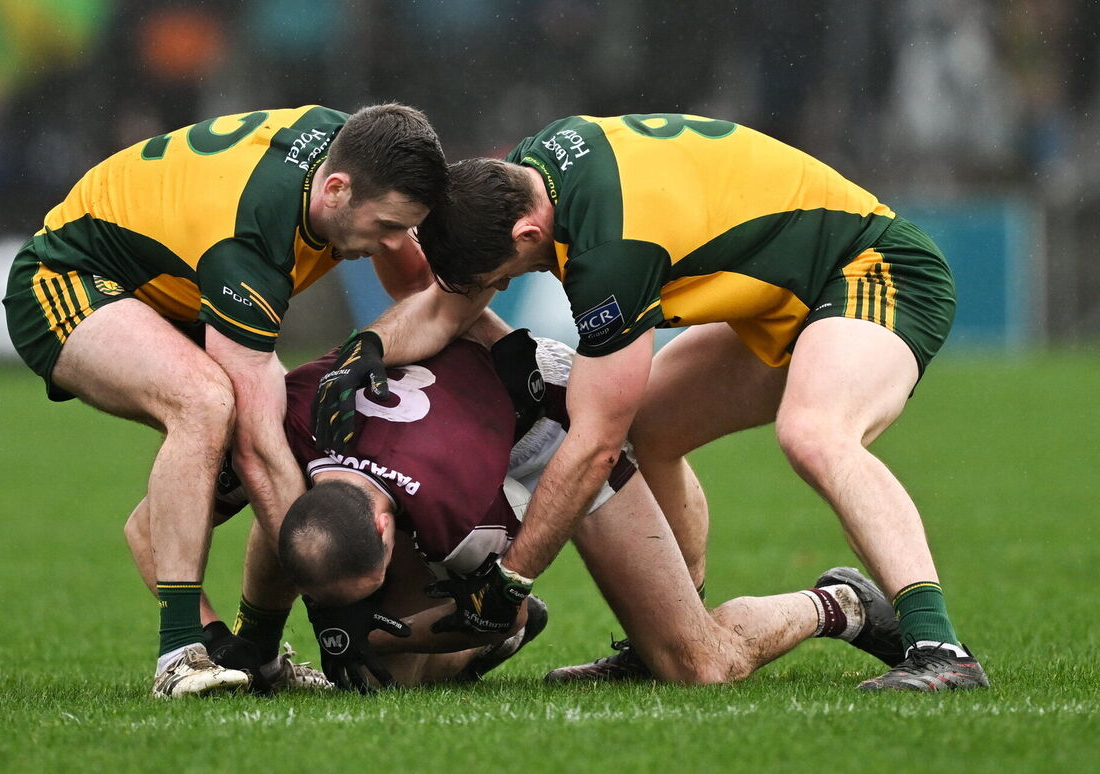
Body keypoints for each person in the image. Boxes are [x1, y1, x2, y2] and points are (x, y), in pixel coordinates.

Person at [312, 112, 988, 692]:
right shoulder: (525, 175)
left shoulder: (610, 248)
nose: (504, 286)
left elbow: (592, 447)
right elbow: (447, 307)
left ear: (525, 237)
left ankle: (940, 648)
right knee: (651, 427)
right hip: (786, 297)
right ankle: (676, 621)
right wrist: (367, 348)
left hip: (875, 268)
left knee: (814, 432)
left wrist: (510, 580)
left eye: (502, 276)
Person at [179, 322, 906, 691]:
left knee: (695, 662)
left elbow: (499, 602)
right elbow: (152, 525)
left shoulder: (455, 512)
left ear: (383, 525)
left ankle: (838, 603)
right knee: (375, 679)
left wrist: (387, 630)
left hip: (550, 420)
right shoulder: (271, 437)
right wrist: (209, 637)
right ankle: (259, 644)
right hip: (445, 417)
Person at [2, 103, 447, 698]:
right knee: (207, 405)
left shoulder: (358, 154)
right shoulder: (252, 237)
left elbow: (417, 284)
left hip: (178, 284)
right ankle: (179, 653)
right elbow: (258, 453)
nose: (394, 242)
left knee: (292, 436)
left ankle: (254, 655)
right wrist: (332, 608)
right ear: (335, 190)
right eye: (388, 226)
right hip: (68, 277)